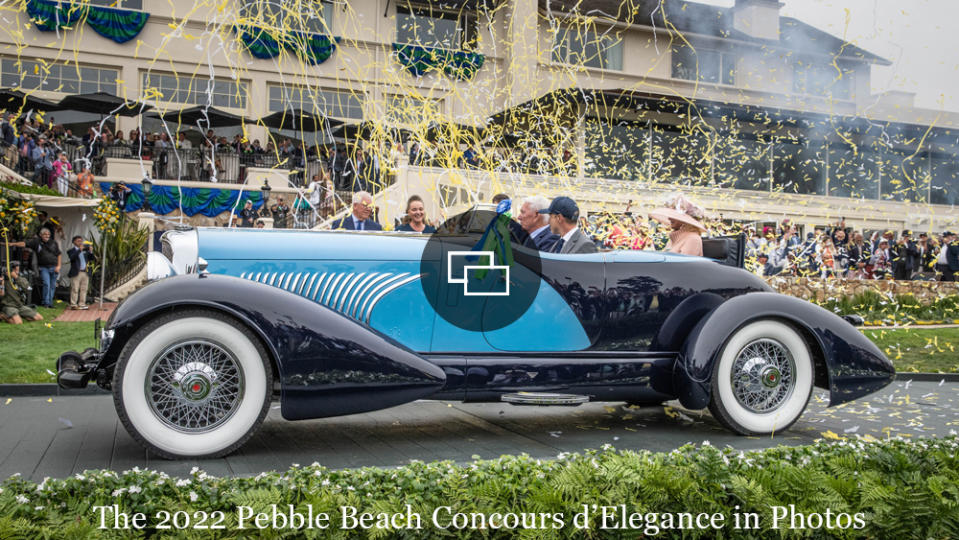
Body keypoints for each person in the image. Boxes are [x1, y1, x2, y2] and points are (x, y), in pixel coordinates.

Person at [6, 228, 61, 308]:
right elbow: (24, 244)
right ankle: (45, 302)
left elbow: (59, 254)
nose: (47, 236)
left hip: (54, 266)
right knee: (46, 284)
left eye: (48, 234)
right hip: (44, 267)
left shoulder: (53, 243)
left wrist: (58, 266)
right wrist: (13, 244)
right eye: (45, 234)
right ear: (40, 235)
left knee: (52, 286)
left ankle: (50, 303)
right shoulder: (36, 242)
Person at [67, 235, 92, 309]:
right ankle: (73, 304)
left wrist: (90, 251)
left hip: (85, 271)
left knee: (84, 289)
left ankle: (82, 304)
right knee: (75, 288)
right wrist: (79, 250)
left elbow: (91, 259)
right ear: (74, 242)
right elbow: (72, 258)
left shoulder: (85, 251)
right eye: (78, 241)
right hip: (76, 272)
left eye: (81, 241)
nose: (80, 242)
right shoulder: (71, 251)